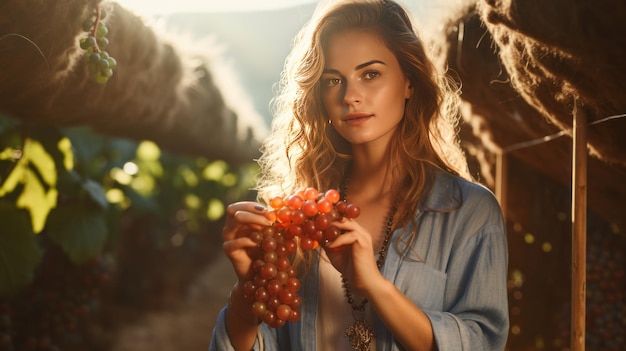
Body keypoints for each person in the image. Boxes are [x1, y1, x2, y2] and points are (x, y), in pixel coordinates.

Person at [209, 0, 509, 350]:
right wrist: (248, 293)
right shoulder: (302, 219)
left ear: (409, 82)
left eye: (371, 74)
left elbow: (483, 342)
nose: (350, 96)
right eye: (333, 80)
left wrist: (375, 286)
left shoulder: (470, 212)